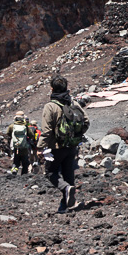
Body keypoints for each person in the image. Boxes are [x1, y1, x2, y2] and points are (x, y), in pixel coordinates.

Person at [40, 75, 89, 213]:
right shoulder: (73, 103)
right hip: (72, 146)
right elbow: (86, 121)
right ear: (67, 88)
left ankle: (65, 190)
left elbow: (47, 130)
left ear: (51, 89)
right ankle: (65, 205)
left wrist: (40, 147)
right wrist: (76, 135)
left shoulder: (50, 106)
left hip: (56, 147)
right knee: (68, 175)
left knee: (50, 172)